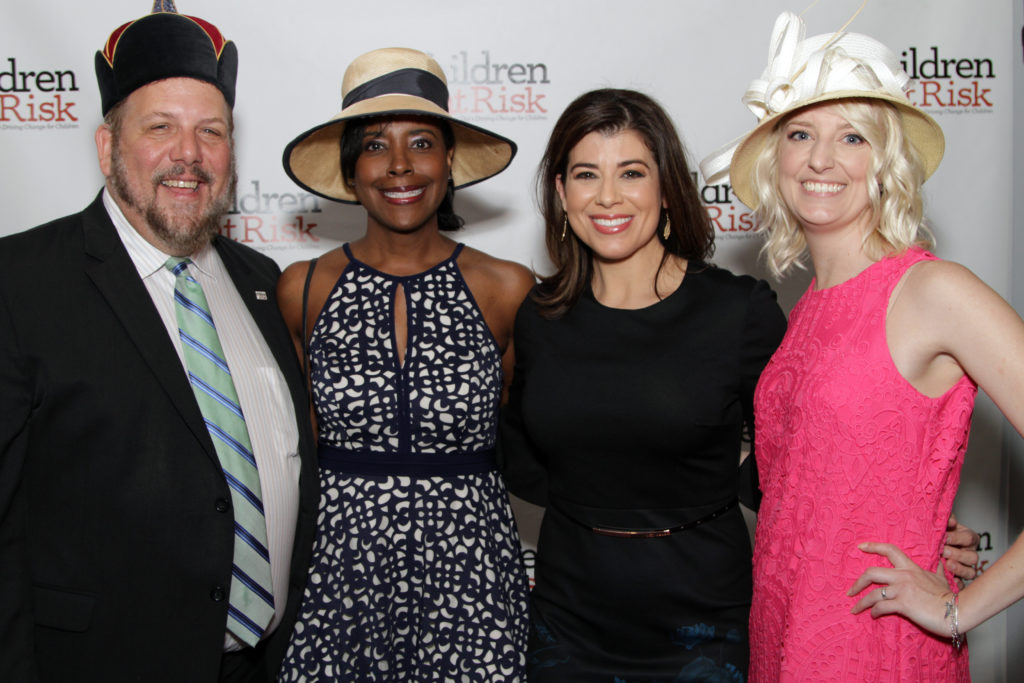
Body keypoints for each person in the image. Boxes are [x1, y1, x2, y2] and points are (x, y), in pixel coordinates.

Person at [701, 11, 1024, 680]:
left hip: (878, 647)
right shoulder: (806, 308)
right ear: (776, 157)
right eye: (800, 134)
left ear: (885, 159)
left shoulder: (933, 291)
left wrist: (961, 609)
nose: (821, 160)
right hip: (784, 631)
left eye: (851, 136)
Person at [0, 5, 317, 683]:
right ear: (106, 146)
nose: (189, 154)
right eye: (160, 128)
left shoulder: (263, 283)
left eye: (212, 131)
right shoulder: (18, 284)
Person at [499, 87, 788, 681]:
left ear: (666, 188)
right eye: (586, 175)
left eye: (632, 172)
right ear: (561, 192)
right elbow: (518, 448)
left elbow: (799, 459)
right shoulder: (540, 316)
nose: (608, 196)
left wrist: (900, 522)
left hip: (705, 620)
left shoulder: (739, 310)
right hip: (568, 618)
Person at [274, 47, 534, 681]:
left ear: (448, 161)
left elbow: (542, 431)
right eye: (373, 146)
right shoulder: (302, 288)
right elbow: (297, 451)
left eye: (420, 142)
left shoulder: (507, 287)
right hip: (339, 583)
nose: (399, 166)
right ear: (350, 169)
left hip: (474, 583)